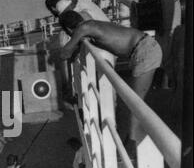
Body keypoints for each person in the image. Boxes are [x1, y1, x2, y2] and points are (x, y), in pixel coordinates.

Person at [59, 10, 162, 148]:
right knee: (133, 100)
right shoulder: (90, 27)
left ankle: (132, 144)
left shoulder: (84, 28)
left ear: (68, 29)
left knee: (136, 101)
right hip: (142, 49)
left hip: (144, 51)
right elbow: (75, 51)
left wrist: (72, 41)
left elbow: (65, 53)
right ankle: (132, 141)